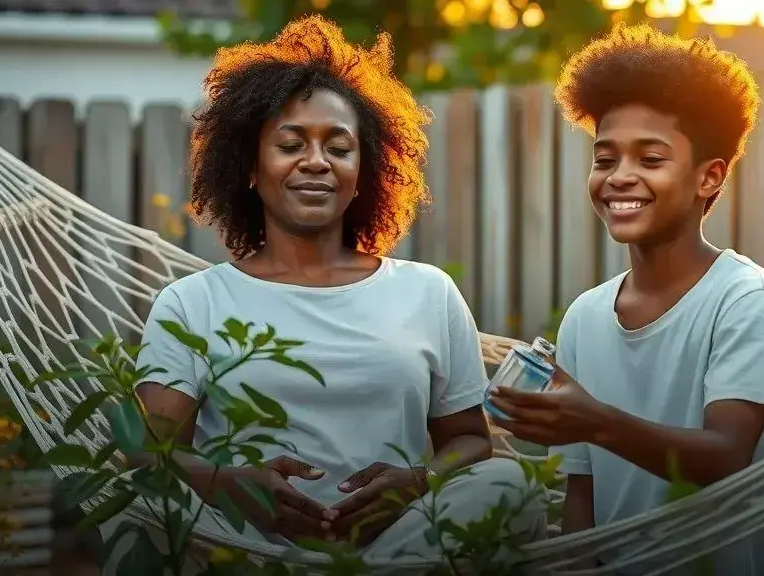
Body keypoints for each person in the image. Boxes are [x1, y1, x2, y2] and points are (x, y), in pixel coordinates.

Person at [126, 14, 545, 571]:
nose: (316, 161)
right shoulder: (194, 303)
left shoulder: (428, 293)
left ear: (363, 170)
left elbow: (470, 442)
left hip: (400, 550)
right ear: (251, 167)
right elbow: (150, 455)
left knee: (510, 481)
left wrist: (418, 483)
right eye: (290, 143)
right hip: (246, 552)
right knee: (146, 503)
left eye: (339, 147)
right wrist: (230, 483)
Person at [488, 23, 764, 576]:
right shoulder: (585, 316)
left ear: (709, 177)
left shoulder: (745, 299)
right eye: (605, 159)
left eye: (650, 159)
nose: (619, 177)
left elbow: (726, 457)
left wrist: (595, 421)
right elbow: (581, 498)